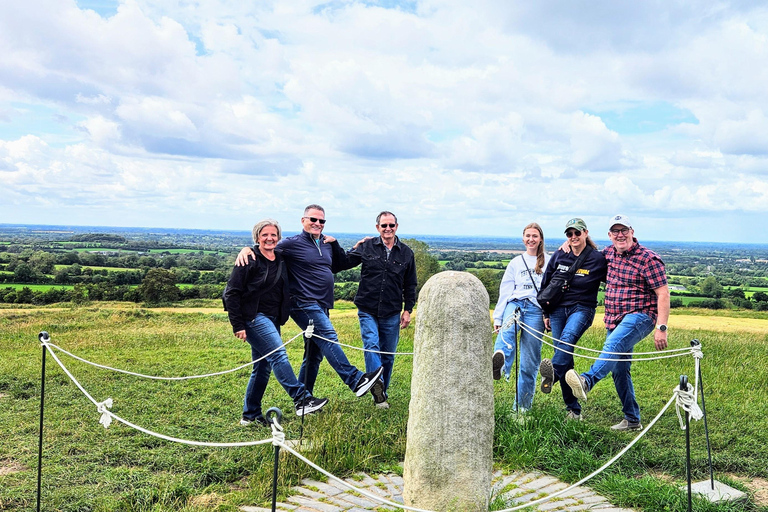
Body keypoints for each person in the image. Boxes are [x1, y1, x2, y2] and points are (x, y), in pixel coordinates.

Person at [235, 205, 384, 403]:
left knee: (314, 354)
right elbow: (266, 248)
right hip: (302, 302)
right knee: (329, 337)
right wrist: (247, 248)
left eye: (321, 221)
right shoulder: (291, 244)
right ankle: (355, 380)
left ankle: (306, 402)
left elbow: (341, 264)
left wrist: (358, 248)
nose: (317, 224)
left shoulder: (325, 243)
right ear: (303, 221)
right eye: (313, 220)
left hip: (322, 304)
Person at [564, 214, 670, 431]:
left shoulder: (648, 259)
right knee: (620, 369)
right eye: (616, 231)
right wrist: (570, 243)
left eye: (624, 230)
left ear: (632, 231)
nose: (620, 235)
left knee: (611, 346)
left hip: (641, 316)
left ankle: (586, 381)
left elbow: (663, 294)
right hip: (613, 319)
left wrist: (661, 327)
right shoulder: (607, 255)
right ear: (610, 235)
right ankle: (632, 420)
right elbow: (587, 256)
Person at [224, 219, 329, 426]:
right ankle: (302, 399)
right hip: (253, 317)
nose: (269, 238)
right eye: (264, 235)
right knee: (279, 354)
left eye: (273, 235)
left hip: (273, 319)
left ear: (278, 238)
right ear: (257, 238)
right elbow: (232, 293)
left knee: (262, 367)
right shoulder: (249, 259)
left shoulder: (281, 258)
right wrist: (238, 325)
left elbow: (307, 255)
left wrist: (328, 241)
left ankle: (250, 415)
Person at [339, 211, 417, 409]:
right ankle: (377, 388)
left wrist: (407, 310)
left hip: (391, 310)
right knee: (371, 345)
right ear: (377, 228)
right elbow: (343, 263)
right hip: (367, 307)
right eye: (384, 226)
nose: (388, 229)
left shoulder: (406, 253)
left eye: (391, 225)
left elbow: (410, 285)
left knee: (388, 355)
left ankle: (381, 392)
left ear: (396, 227)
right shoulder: (367, 246)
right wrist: (354, 246)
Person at [538, 218, 607, 421]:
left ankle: (553, 375)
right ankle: (573, 410)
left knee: (567, 339)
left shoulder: (597, 258)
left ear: (585, 233)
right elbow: (546, 282)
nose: (574, 237)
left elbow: (615, 275)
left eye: (577, 233)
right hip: (558, 308)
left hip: (582, 308)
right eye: (570, 234)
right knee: (565, 354)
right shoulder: (561, 254)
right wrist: (546, 313)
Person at [492, 222, 551, 411]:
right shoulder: (516, 262)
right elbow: (505, 292)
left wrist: (548, 314)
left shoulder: (550, 261)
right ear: (523, 238)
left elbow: (553, 290)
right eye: (528, 236)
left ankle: (522, 409)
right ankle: (500, 365)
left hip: (536, 310)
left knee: (529, 362)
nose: (531, 239)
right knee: (507, 334)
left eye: (534, 236)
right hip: (516, 304)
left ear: (540, 238)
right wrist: (498, 318)